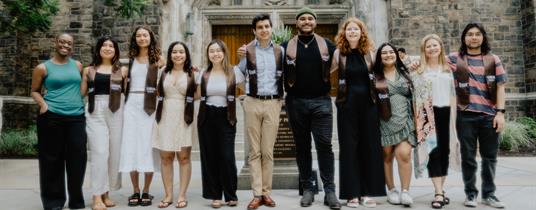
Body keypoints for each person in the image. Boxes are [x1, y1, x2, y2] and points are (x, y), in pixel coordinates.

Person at [281, 7, 340, 210]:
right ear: (297, 23)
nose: (306, 21)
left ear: (315, 22)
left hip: (321, 101)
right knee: (302, 146)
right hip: (295, 101)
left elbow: (344, 58)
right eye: (302, 19)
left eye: (310, 18)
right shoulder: (285, 45)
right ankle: (307, 188)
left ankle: (330, 191)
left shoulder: (327, 44)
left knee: (324, 145)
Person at [448, 23, 507, 209]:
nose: (474, 37)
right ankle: (471, 194)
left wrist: (500, 113)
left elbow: (501, 87)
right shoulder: (454, 58)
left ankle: (489, 195)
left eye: (477, 34)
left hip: (489, 115)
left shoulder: (493, 59)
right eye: (470, 34)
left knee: (490, 157)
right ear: (464, 38)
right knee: (468, 157)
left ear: (483, 37)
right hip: (465, 115)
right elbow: (430, 60)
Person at [329, 17, 385, 208]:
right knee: (349, 149)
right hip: (346, 106)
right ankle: (352, 194)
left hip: (369, 105)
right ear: (344, 33)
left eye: (356, 29)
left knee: (370, 146)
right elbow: (326, 74)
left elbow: (385, 71)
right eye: (349, 29)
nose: (352, 32)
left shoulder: (370, 53)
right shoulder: (338, 54)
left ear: (362, 33)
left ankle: (368, 193)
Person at [31, 33, 86, 210]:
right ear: (55, 43)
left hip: (76, 117)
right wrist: (43, 105)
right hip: (52, 117)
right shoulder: (43, 68)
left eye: (69, 43)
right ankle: (54, 202)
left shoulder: (77, 65)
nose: (65, 45)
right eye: (62, 42)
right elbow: (34, 91)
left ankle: (76, 201)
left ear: (73, 46)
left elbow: (81, 88)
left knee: (77, 159)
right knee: (51, 160)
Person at [236, 13, 283, 210]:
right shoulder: (246, 50)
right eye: (260, 27)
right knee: (254, 151)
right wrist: (244, 95)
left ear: (271, 29)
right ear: (254, 31)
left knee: (267, 151)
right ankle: (256, 194)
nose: (264, 30)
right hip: (253, 102)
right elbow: (239, 75)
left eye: (266, 26)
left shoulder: (280, 50)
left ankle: (266, 193)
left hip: (273, 103)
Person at [411, 34, 461, 209]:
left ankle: (441, 190)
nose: (432, 48)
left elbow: (455, 95)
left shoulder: (449, 69)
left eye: (435, 45)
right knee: (433, 152)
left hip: (447, 114)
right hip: (428, 116)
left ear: (440, 47)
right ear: (423, 50)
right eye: (428, 46)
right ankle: (438, 192)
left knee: (446, 151)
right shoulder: (418, 71)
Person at [80, 36, 127, 210]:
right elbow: (82, 93)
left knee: (114, 153)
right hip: (95, 110)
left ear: (115, 50)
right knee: (99, 152)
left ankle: (107, 192)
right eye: (104, 45)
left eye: (111, 46)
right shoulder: (88, 70)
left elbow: (127, 92)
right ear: (99, 49)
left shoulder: (122, 71)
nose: (107, 48)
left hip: (117, 109)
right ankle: (96, 196)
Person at [197, 39, 245, 209]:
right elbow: (196, 95)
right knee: (209, 157)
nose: (215, 53)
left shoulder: (234, 72)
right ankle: (215, 195)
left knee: (227, 156)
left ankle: (231, 194)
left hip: (227, 116)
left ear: (224, 52)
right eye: (212, 51)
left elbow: (246, 89)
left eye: (218, 50)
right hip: (206, 116)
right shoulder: (203, 73)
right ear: (208, 54)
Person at [118, 25, 162, 207]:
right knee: (131, 145)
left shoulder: (159, 60)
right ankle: (135, 190)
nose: (142, 38)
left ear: (150, 38)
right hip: (131, 105)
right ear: (135, 39)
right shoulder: (130, 60)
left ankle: (146, 190)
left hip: (150, 105)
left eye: (145, 35)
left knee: (147, 146)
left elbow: (174, 72)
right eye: (139, 35)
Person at [152, 41, 197, 208]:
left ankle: (182, 195)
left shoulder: (193, 73)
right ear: (170, 54)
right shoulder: (164, 72)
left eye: (181, 52)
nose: (178, 55)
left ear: (186, 55)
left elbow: (198, 95)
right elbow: (158, 92)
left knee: (184, 157)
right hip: (165, 114)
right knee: (166, 157)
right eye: (174, 52)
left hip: (184, 116)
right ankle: (168, 195)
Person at [373, 43, 415, 207]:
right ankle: (391, 190)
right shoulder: (375, 75)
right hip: (384, 121)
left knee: (404, 154)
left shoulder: (406, 73)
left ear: (397, 55)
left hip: (405, 119)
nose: (388, 55)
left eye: (391, 52)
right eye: (384, 53)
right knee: (387, 156)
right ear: (379, 57)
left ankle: (405, 191)